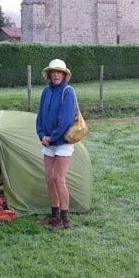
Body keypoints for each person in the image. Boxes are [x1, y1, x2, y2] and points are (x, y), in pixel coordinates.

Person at [36, 59, 77, 231]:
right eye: (53, 72)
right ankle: (54, 215)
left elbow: (66, 120)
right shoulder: (46, 92)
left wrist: (52, 137)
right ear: (49, 74)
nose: (56, 74)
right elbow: (39, 116)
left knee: (59, 180)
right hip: (48, 141)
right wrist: (41, 135)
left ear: (65, 75)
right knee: (49, 179)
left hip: (62, 143)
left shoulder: (68, 92)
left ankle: (64, 219)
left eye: (59, 72)